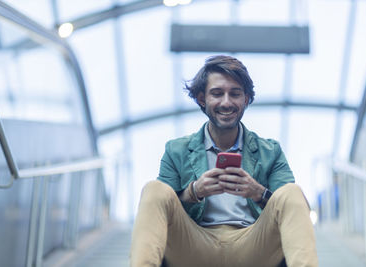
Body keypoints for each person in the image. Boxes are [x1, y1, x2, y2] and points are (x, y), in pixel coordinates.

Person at [130, 55, 318, 267]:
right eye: (217, 94)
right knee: (154, 189)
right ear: (202, 99)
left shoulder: (270, 151)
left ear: (246, 99)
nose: (226, 102)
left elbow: (297, 208)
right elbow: (162, 206)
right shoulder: (177, 150)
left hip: (253, 245)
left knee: (292, 193)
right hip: (195, 246)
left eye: (235, 94)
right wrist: (194, 191)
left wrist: (258, 192)